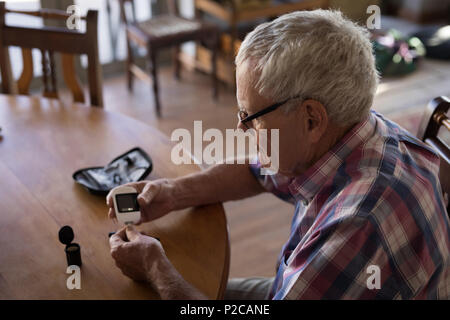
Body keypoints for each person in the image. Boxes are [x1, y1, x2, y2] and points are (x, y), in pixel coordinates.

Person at [107, 9, 449, 300]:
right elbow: (258, 171)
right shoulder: (353, 130)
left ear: (311, 118)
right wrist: (174, 192)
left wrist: (156, 268)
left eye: (250, 117)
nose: (241, 129)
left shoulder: (357, 223)